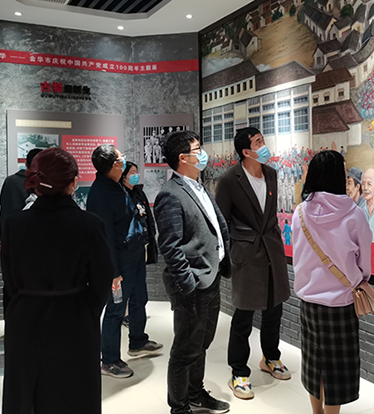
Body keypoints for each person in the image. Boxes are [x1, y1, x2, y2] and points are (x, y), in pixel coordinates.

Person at [1, 148, 114, 414]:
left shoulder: (14, 224)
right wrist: (86, 309)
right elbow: (102, 280)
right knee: (75, 393)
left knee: (25, 392)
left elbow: (10, 279)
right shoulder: (89, 224)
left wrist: (25, 301)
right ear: (73, 182)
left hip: (24, 317)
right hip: (74, 318)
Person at [155, 130, 231, 414]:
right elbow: (170, 246)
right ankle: (179, 407)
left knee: (201, 344)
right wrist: (188, 283)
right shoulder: (170, 194)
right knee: (185, 349)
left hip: (211, 277)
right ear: (183, 158)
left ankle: (196, 393)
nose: (203, 154)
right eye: (198, 149)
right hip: (194, 284)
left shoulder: (198, 186)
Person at [291, 150, 372, 414]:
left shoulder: (299, 213)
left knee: (313, 362)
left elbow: (298, 256)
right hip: (341, 302)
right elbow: (365, 264)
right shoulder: (354, 215)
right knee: (336, 368)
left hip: (309, 302)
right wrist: (359, 278)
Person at [215, 127, 291, 400]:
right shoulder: (229, 180)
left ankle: (270, 357)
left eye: (263, 140)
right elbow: (222, 222)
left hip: (272, 248)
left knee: (274, 308)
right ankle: (238, 371)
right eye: (258, 142)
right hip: (246, 253)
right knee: (244, 314)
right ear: (246, 151)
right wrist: (229, 254)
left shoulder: (271, 174)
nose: (264, 144)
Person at [87, 145, 162, 379]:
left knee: (140, 299)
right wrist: (113, 270)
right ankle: (109, 360)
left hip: (134, 256)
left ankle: (138, 341)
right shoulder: (101, 193)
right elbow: (105, 236)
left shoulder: (116, 186)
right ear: (114, 165)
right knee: (116, 310)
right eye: (121, 159)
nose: (125, 161)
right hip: (119, 263)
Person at [120, 162, 158, 266]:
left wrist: (152, 231)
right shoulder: (121, 194)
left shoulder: (139, 192)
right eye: (132, 173)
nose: (135, 175)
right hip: (130, 243)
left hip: (144, 239)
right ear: (124, 176)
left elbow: (148, 214)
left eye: (136, 172)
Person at [0, 148, 42, 219]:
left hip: (11, 222)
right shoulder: (44, 183)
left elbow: (5, 208)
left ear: (26, 163)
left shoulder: (11, 180)